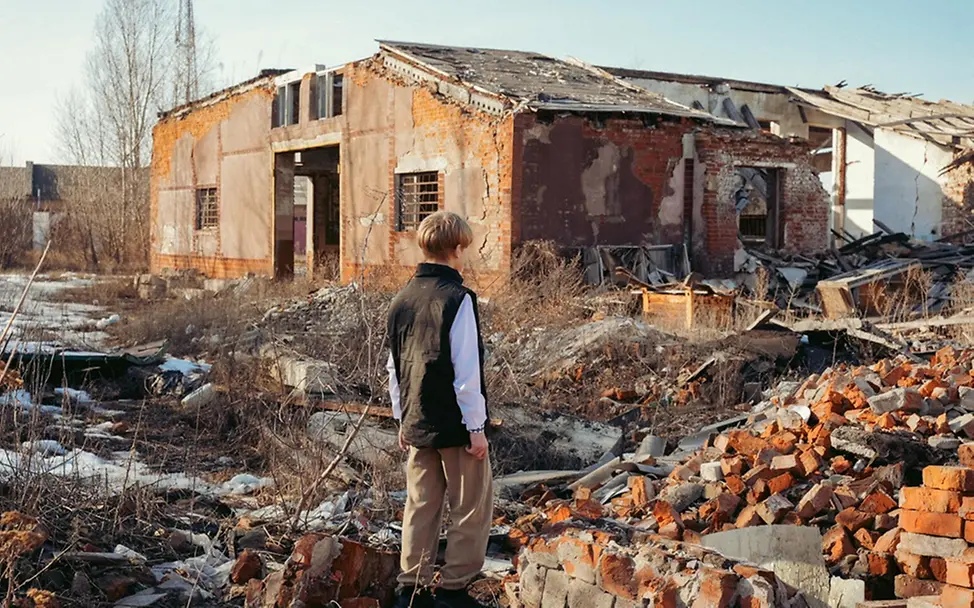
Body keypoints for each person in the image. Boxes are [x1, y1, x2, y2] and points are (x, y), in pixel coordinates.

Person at [386, 211, 492, 608]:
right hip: (455, 425)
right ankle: (453, 591)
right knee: (470, 509)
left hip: (416, 421)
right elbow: (466, 370)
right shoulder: (458, 298)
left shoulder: (401, 299)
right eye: (466, 246)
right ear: (458, 248)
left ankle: (408, 590)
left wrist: (401, 417)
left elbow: (394, 366)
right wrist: (476, 427)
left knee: (420, 506)